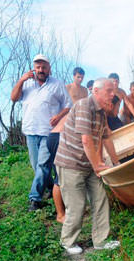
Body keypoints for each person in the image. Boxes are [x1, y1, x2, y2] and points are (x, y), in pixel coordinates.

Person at [54, 77, 120, 255]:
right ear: (95, 91)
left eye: (113, 91)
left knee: (100, 199)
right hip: (71, 163)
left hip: (88, 164)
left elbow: (106, 137)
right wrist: (98, 166)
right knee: (77, 204)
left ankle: (100, 240)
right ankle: (67, 241)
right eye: (109, 91)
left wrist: (116, 162)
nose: (113, 95)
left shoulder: (101, 112)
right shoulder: (84, 105)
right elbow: (86, 139)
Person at [10, 54, 72, 212]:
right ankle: (51, 188)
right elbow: (13, 98)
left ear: (49, 69)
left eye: (44, 67)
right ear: (34, 68)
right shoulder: (27, 85)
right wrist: (21, 80)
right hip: (30, 131)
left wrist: (58, 116)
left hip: (48, 132)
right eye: (38, 67)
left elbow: (68, 105)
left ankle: (35, 199)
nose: (41, 70)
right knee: (37, 166)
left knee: (43, 164)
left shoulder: (56, 84)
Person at [48, 70, 88, 223]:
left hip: (62, 135)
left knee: (71, 174)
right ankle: (60, 214)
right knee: (59, 177)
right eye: (78, 76)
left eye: (82, 77)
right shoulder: (67, 92)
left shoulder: (84, 93)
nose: (80, 79)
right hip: (58, 137)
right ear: (74, 76)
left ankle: (71, 208)